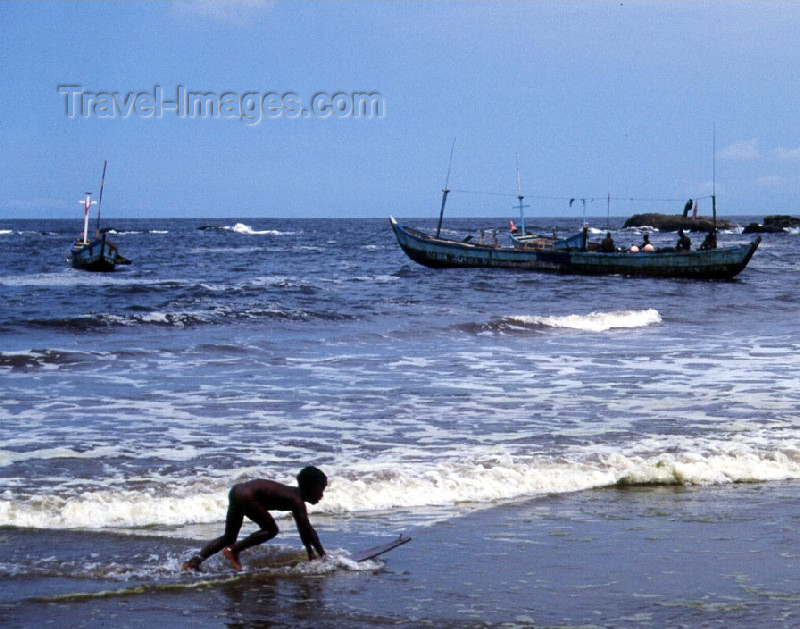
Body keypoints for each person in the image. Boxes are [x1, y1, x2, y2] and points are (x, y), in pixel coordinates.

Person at [182, 466, 327, 571]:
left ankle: (194, 562)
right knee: (271, 530)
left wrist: (310, 552)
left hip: (237, 491)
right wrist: (323, 556)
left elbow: (304, 530)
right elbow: (309, 532)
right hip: (247, 496)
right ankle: (233, 551)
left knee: (229, 537)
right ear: (310, 488)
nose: (322, 495)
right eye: (321, 490)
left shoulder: (294, 498)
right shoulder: (296, 501)